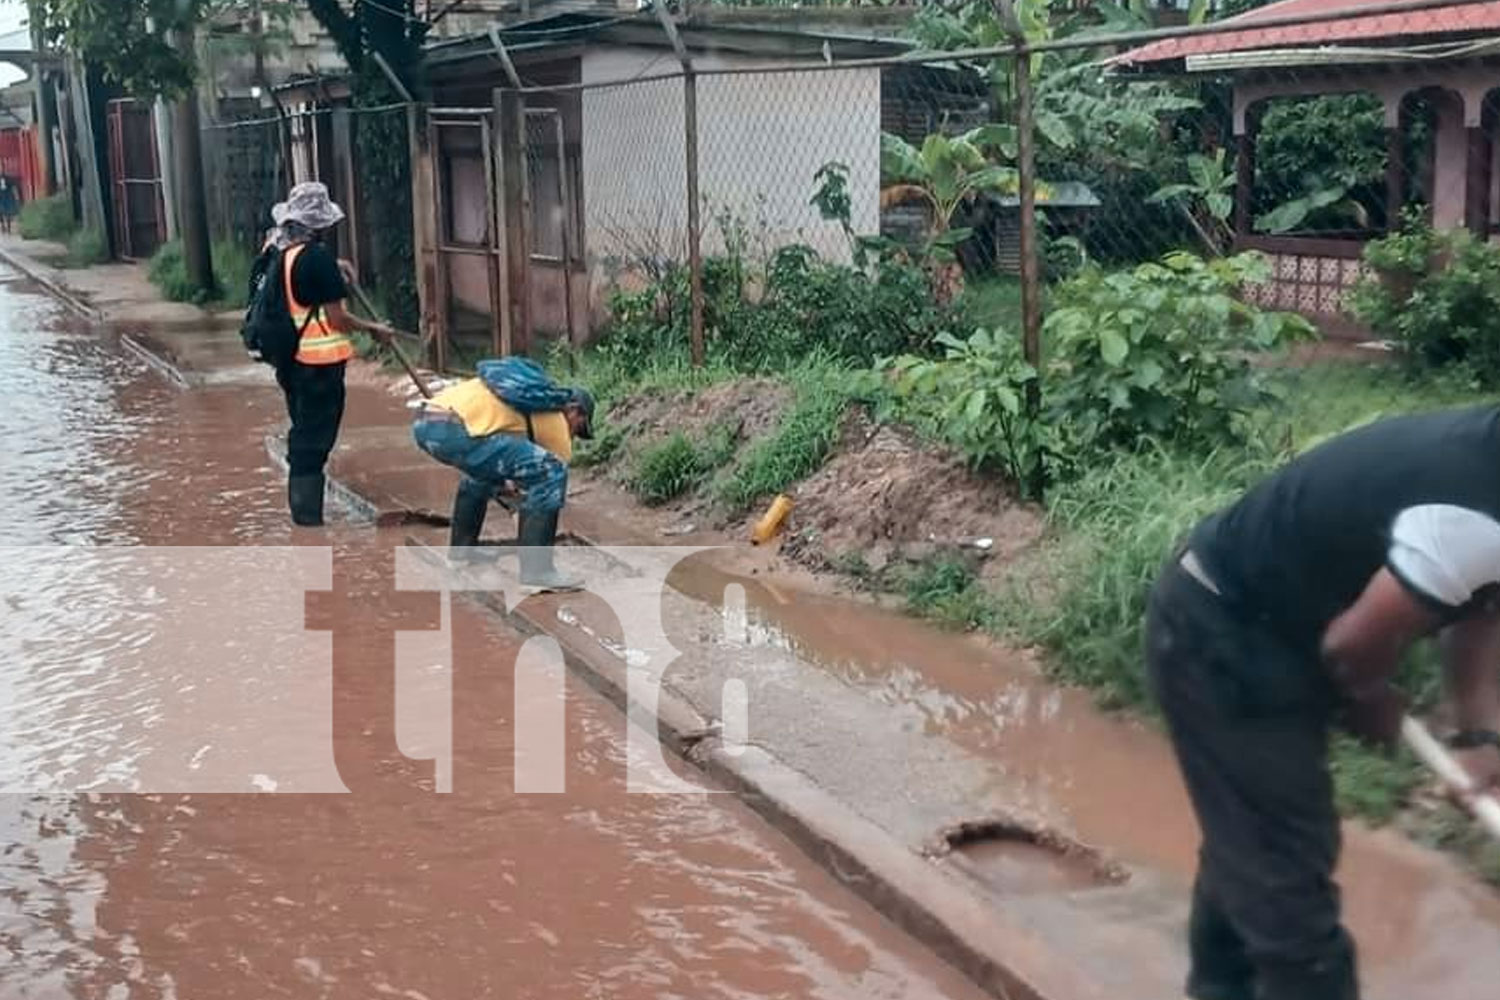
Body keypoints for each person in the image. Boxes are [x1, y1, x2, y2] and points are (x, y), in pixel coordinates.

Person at [1146, 404, 1500, 1000]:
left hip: (1288, 623)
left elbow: (1485, 609)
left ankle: (1219, 988)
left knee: (1257, 841)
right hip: (1223, 628)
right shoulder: (1475, 516)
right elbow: (1351, 649)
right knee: (1290, 899)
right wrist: (1370, 696)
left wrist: (1476, 737)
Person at [262, 182, 394, 526]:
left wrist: (335, 267)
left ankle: (306, 523)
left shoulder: (282, 253)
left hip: (291, 364)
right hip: (318, 368)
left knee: (305, 435)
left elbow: (303, 286)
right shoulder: (317, 259)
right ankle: (309, 528)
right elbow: (337, 319)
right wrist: (373, 330)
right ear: (320, 225)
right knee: (313, 444)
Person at [412, 358, 595, 593]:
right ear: (573, 410)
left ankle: (461, 553)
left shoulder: (521, 400)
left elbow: (512, 470)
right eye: (579, 427)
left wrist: (509, 491)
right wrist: (520, 510)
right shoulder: (555, 421)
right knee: (552, 472)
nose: (574, 435)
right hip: (455, 431)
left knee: (482, 474)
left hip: (426, 420)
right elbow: (544, 483)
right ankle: (537, 573)